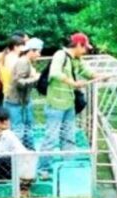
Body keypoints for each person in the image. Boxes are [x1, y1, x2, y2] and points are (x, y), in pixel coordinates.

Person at [38, 33, 95, 175]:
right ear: (78, 45)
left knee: (69, 136)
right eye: (85, 47)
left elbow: (85, 71)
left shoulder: (77, 59)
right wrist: (74, 83)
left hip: (69, 104)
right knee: (51, 138)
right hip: (55, 105)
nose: (86, 50)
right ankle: (43, 169)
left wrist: (98, 76)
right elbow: (55, 73)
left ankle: (67, 166)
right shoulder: (60, 55)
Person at [5, 37, 43, 150]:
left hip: (24, 102)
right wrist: (36, 78)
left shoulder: (28, 62)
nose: (39, 55)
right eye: (38, 52)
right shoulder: (22, 62)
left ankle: (29, 152)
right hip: (15, 103)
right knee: (18, 131)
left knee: (28, 129)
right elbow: (19, 83)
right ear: (31, 51)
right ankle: (17, 156)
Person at [0, 33, 27, 105]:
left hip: (8, 92)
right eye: (22, 45)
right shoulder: (14, 59)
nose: (24, 48)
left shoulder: (5, 57)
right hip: (14, 93)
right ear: (15, 47)